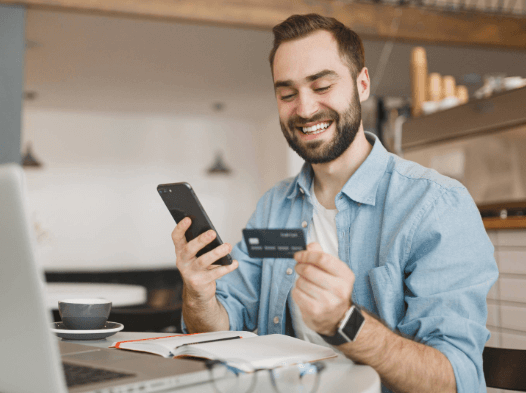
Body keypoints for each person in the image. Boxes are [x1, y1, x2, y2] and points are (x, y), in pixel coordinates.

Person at [170, 14, 498, 393]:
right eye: (287, 94)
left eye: (322, 85)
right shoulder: (275, 206)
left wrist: (345, 321)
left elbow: (456, 381)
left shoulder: (437, 206)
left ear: (362, 85)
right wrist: (199, 294)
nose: (305, 109)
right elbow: (222, 326)